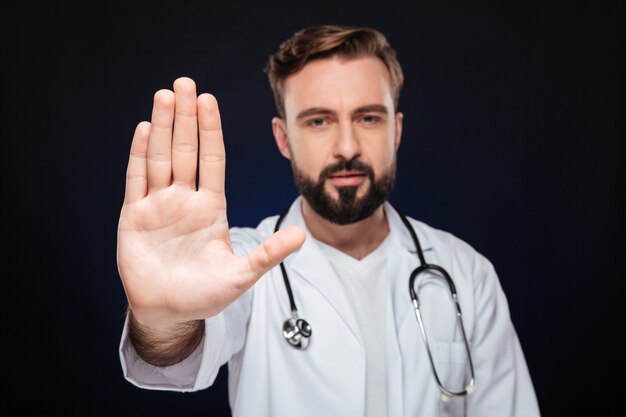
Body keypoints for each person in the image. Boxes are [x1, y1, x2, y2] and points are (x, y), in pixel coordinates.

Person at [116, 24, 541, 417]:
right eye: (319, 121)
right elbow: (171, 357)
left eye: (368, 117)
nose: (346, 146)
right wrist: (162, 320)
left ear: (396, 130)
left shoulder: (466, 273)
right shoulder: (238, 263)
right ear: (284, 139)